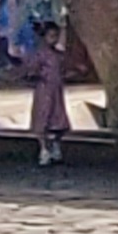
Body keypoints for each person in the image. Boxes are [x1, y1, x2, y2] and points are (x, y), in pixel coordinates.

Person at [30, 16, 72, 165]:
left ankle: (55, 145)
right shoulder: (40, 54)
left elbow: (64, 67)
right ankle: (43, 149)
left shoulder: (58, 55)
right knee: (43, 118)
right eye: (51, 36)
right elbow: (32, 70)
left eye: (55, 36)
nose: (53, 40)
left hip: (56, 91)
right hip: (44, 90)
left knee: (58, 117)